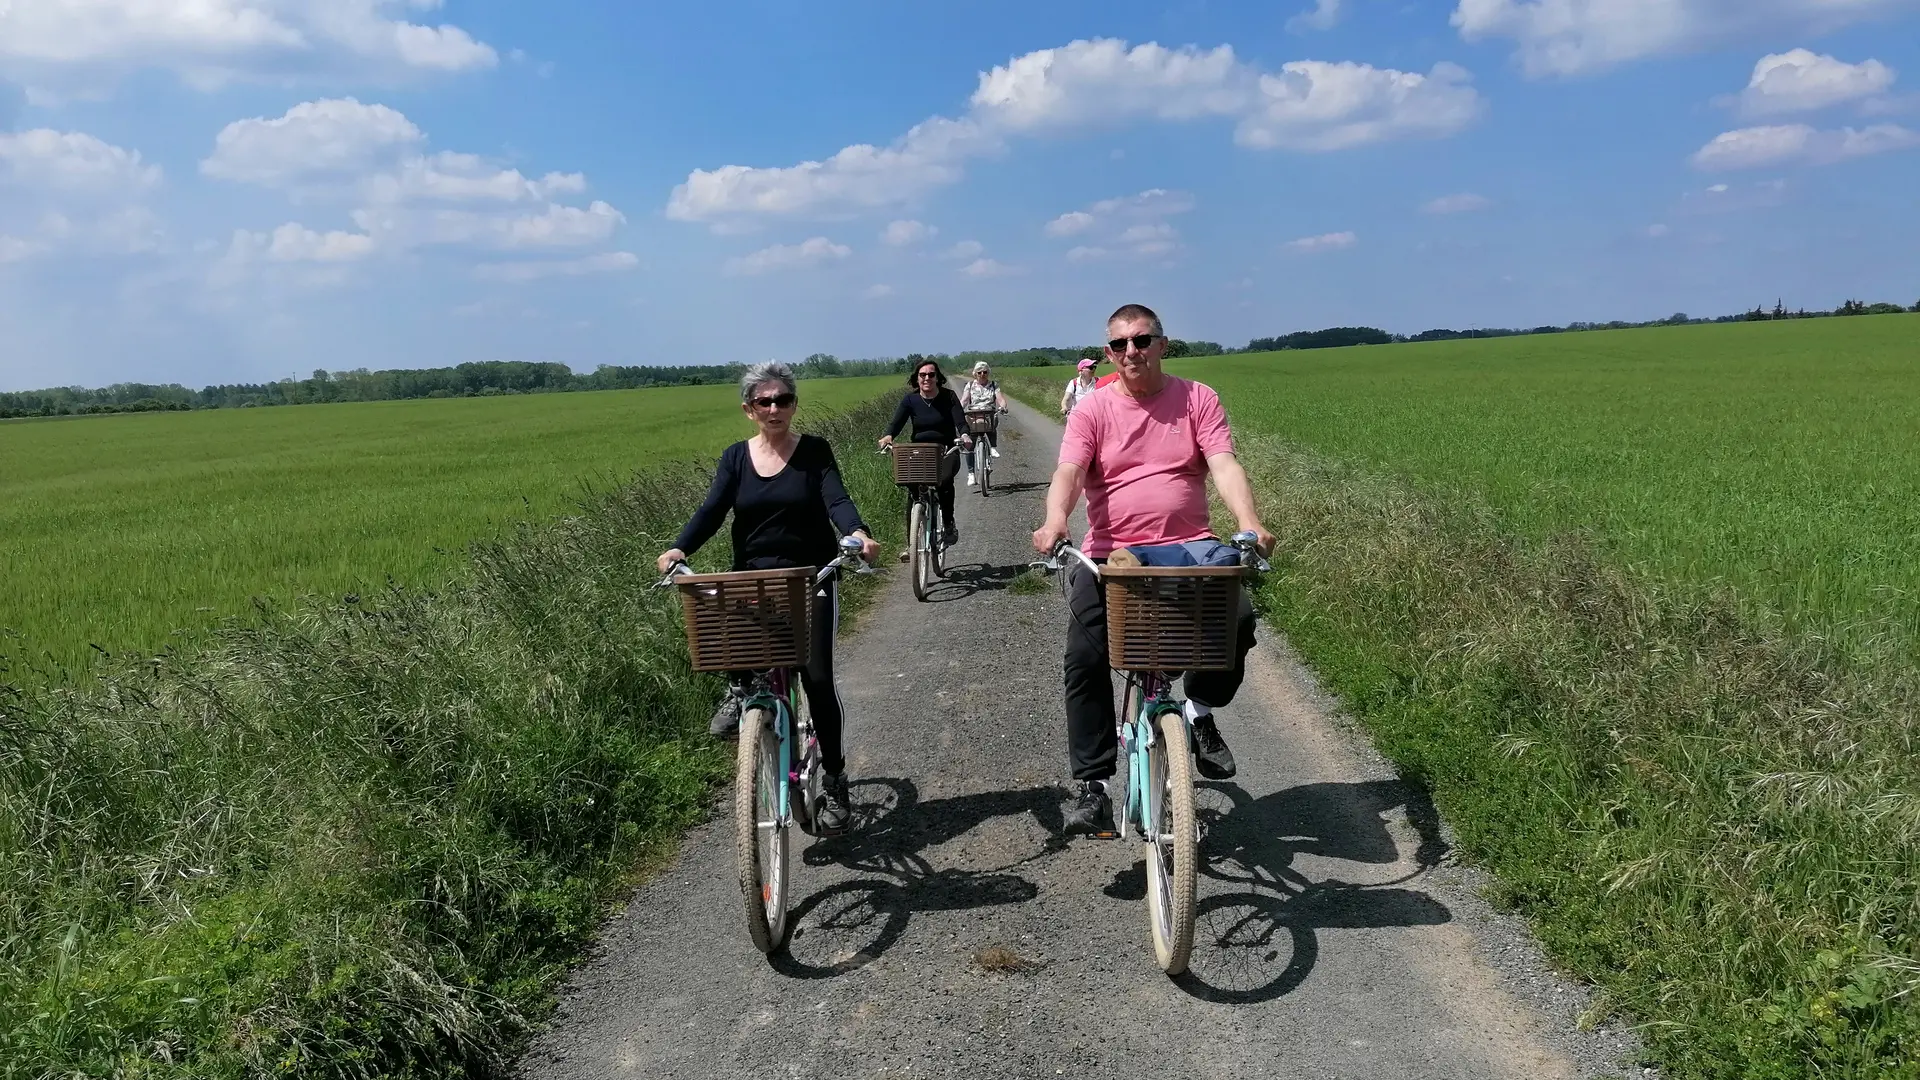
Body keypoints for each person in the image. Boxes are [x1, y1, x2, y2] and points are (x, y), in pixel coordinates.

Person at [1031, 303, 1276, 836]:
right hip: (1112, 552)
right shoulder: (1092, 408)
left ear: (1163, 344)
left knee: (1235, 619)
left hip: (1189, 545)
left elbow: (1224, 464)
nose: (1131, 353)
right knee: (1085, 654)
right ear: (1108, 354)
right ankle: (1092, 784)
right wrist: (1054, 521)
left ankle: (1199, 714)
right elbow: (1070, 471)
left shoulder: (1197, 398)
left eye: (1142, 341)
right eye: (1119, 345)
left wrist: (1250, 522)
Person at [658, 361, 881, 835]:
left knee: (816, 677)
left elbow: (836, 500)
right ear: (749, 409)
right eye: (765, 401)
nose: (775, 408)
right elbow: (712, 509)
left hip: (810, 576)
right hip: (754, 580)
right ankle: (742, 694)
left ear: (794, 405)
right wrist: (679, 547)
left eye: (784, 399)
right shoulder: (736, 458)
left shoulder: (815, 452)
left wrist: (857, 533)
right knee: (735, 646)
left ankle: (836, 779)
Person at [878, 358, 971, 546]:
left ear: (937, 378)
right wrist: (888, 436)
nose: (926, 378)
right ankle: (910, 543)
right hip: (919, 451)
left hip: (946, 449)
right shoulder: (910, 400)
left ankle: (948, 523)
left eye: (931, 374)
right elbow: (896, 423)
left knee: (944, 483)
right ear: (917, 378)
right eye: (922, 375)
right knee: (912, 487)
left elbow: (960, 422)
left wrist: (965, 435)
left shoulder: (949, 397)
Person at [958, 361, 1008, 486]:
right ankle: (971, 473)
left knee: (992, 423)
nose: (982, 374)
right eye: (979, 372)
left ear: (988, 373)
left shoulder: (993, 385)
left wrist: (1003, 406)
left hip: (988, 413)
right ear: (975, 374)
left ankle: (992, 447)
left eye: (985, 372)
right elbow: (964, 400)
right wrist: (958, 410)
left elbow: (1000, 399)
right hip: (973, 415)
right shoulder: (969, 385)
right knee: (969, 443)